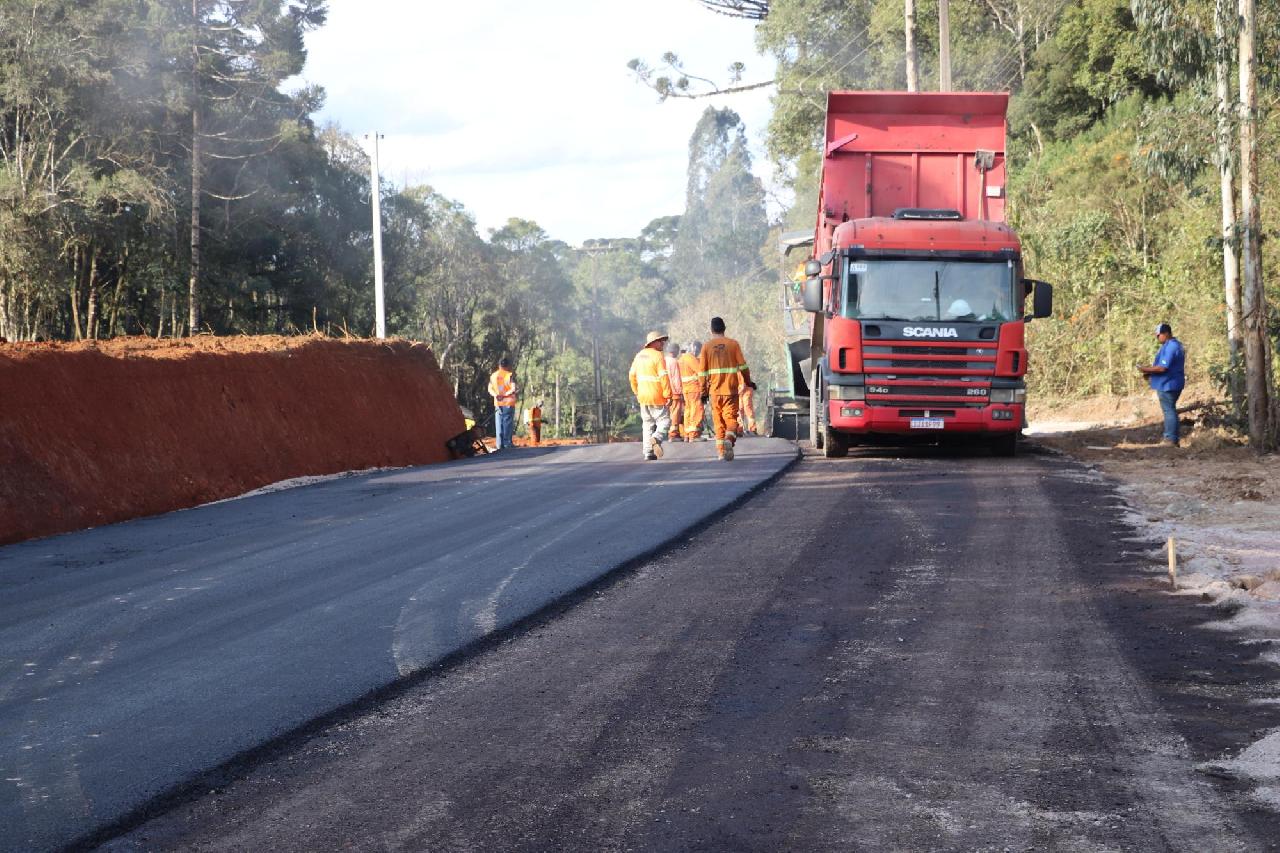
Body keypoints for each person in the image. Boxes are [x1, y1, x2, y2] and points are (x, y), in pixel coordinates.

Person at [698, 317, 752, 461]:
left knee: (718, 422)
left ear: (711, 330)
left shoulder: (706, 347)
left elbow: (702, 372)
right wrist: (748, 381)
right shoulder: (733, 344)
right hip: (730, 390)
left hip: (714, 392)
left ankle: (721, 452)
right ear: (724, 328)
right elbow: (743, 366)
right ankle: (729, 438)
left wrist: (703, 393)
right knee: (731, 418)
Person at [628, 331, 674, 460]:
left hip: (643, 396)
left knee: (647, 424)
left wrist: (636, 391)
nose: (663, 344)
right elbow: (664, 377)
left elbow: (632, 376)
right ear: (653, 343)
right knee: (664, 421)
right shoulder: (658, 356)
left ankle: (648, 452)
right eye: (660, 341)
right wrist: (668, 395)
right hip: (657, 395)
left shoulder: (639, 356)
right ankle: (657, 437)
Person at [1139, 322, 1186, 446]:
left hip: (1169, 384)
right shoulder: (1170, 345)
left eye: (1159, 335)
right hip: (1169, 383)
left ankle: (1170, 439)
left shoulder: (1171, 347)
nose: (1157, 338)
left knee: (1169, 411)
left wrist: (1145, 369)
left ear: (1166, 333)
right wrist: (1149, 374)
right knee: (1170, 410)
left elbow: (1162, 368)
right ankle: (1172, 438)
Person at [487, 357, 518, 451]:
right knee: (507, 423)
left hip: (498, 403)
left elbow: (490, 389)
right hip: (508, 402)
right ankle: (507, 443)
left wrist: (496, 395)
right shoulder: (509, 375)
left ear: (499, 365)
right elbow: (513, 388)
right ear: (507, 366)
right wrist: (505, 395)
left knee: (499, 423)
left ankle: (499, 444)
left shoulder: (493, 376)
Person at [678, 341, 706, 441]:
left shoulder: (681, 359)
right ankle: (694, 435)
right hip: (694, 388)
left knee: (688, 410)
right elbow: (701, 372)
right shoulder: (690, 358)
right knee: (697, 409)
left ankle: (687, 434)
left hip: (686, 389)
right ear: (693, 348)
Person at [665, 341, 684, 443]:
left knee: (669, 414)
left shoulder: (664, 361)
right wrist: (680, 392)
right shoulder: (674, 362)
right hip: (674, 392)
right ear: (675, 351)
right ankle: (673, 434)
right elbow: (676, 378)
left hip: (666, 392)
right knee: (675, 414)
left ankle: (671, 433)